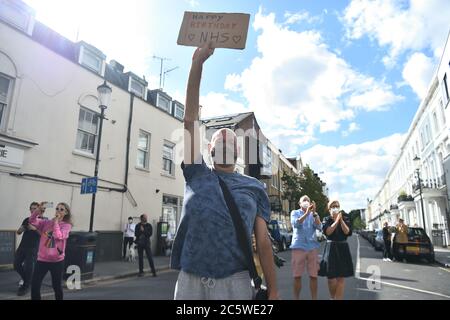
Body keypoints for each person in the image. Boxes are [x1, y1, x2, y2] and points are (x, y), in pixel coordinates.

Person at [170, 42, 279, 300]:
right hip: (190, 281)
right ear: (209, 148)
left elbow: (263, 242)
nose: (225, 141)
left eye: (231, 139)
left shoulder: (254, 187)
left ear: (238, 153)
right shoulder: (197, 172)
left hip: (235, 283)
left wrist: (273, 289)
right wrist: (196, 65)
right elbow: (189, 121)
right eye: (219, 138)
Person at [30, 202, 72, 300]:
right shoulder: (46, 222)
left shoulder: (66, 226)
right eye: (57, 208)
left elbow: (59, 236)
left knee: (56, 286)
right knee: (35, 285)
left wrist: (56, 222)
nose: (58, 210)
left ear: (66, 213)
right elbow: (31, 221)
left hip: (57, 261)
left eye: (61, 209)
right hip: (42, 260)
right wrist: (37, 210)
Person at [319, 200, 354, 300]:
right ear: (329, 209)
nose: (335, 208)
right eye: (333, 206)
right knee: (331, 278)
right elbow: (328, 232)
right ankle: (332, 297)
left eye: (337, 206)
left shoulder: (346, 218)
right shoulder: (326, 219)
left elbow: (347, 232)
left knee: (341, 277)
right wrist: (336, 221)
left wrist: (341, 220)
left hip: (343, 248)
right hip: (331, 249)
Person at [290, 196, 322, 300]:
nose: (306, 202)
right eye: (304, 200)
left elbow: (319, 227)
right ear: (299, 203)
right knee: (297, 276)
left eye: (308, 200)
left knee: (313, 276)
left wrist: (314, 213)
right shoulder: (294, 212)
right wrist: (306, 213)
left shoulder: (314, 214)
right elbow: (296, 224)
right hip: (298, 246)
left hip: (312, 247)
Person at [14, 202, 43, 296]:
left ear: (39, 210)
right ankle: (28, 281)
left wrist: (34, 229)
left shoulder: (43, 221)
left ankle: (26, 286)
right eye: (31, 208)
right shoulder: (27, 219)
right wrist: (20, 230)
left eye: (35, 208)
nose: (33, 210)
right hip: (22, 246)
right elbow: (18, 232)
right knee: (16, 264)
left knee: (29, 268)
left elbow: (45, 235)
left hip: (33, 248)